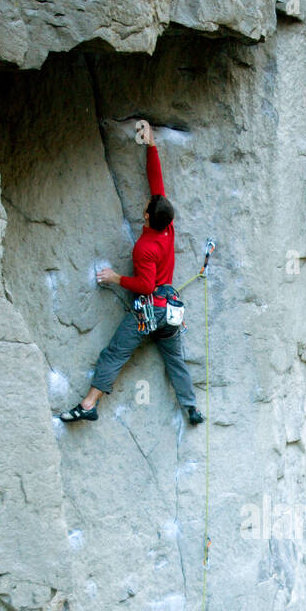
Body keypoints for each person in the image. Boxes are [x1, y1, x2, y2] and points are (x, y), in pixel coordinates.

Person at [59, 122, 204, 426]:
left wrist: (115, 279)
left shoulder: (144, 247)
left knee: (115, 353)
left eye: (148, 206)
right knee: (174, 359)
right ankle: (191, 407)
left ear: (149, 216)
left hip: (149, 308)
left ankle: (88, 404)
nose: (147, 202)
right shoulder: (168, 228)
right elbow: (157, 183)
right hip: (169, 310)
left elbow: (145, 284)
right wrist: (151, 146)